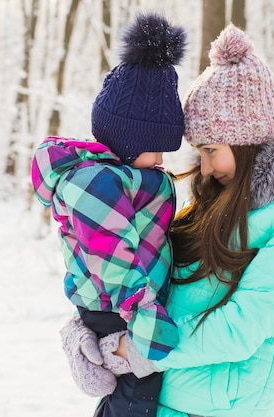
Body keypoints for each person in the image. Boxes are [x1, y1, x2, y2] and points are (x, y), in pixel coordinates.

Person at [60, 24, 274, 417]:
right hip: (138, 400)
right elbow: (141, 273)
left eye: (210, 150)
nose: (202, 168)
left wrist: (126, 349)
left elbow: (240, 327)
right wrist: (84, 330)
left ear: (245, 140)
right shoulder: (216, 197)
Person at [31, 13, 188, 417]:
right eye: (157, 149)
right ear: (132, 141)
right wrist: (145, 313)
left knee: (132, 393)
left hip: (119, 303)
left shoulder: (119, 179)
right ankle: (87, 347)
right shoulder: (97, 184)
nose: (161, 160)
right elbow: (111, 255)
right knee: (138, 394)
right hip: (118, 305)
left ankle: (90, 350)